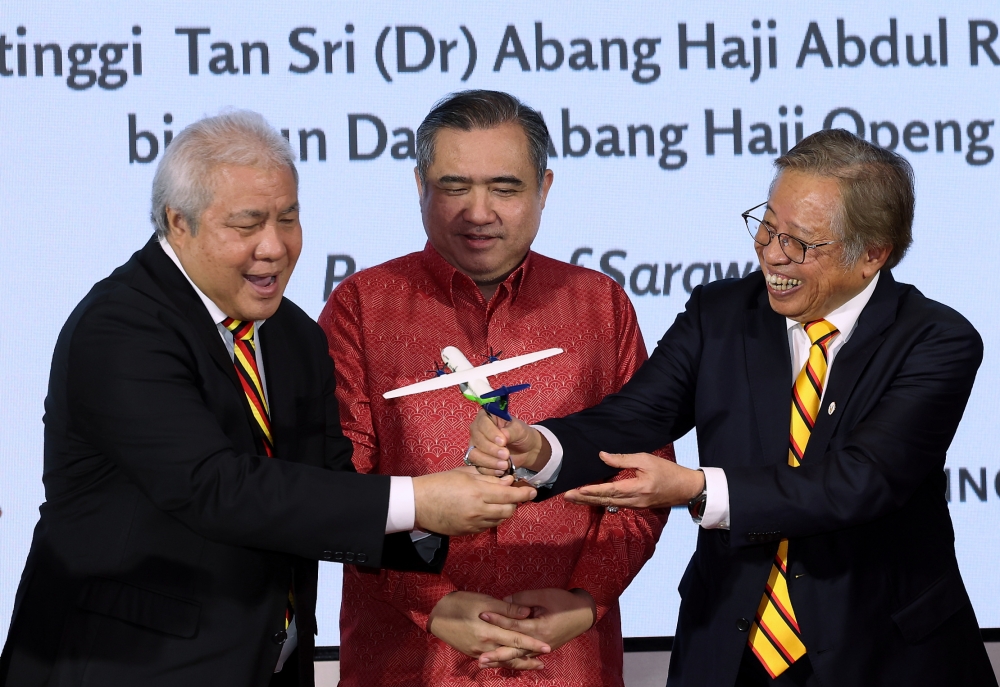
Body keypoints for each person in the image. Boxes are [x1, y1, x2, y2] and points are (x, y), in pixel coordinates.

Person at [0, 111, 537, 687]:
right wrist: (419, 500)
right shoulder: (120, 328)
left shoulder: (293, 335)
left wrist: (466, 494)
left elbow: (326, 480)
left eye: (289, 218)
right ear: (179, 224)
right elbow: (217, 487)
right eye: (247, 224)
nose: (275, 247)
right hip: (124, 668)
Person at [470, 128, 998, 686]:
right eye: (767, 226)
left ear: (872, 254)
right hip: (729, 650)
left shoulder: (936, 340)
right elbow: (634, 417)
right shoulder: (720, 313)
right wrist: (542, 445)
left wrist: (697, 488)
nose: (771, 253)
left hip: (885, 654)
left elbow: (860, 482)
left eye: (800, 242)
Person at [319, 90, 674, 686]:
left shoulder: (599, 306)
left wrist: (587, 598)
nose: (478, 212)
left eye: (505, 188)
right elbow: (337, 491)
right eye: (454, 186)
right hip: (409, 661)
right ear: (420, 187)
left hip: (566, 661)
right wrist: (429, 601)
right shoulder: (362, 306)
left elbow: (644, 478)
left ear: (544, 189)